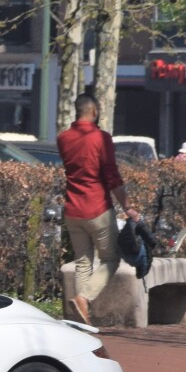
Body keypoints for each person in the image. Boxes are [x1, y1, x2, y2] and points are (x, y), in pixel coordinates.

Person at [56, 93, 141, 327]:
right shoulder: (101, 138)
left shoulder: (63, 138)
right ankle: (84, 298)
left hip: (73, 209)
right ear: (95, 112)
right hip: (98, 208)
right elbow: (112, 176)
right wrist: (128, 207)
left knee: (83, 262)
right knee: (111, 259)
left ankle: (82, 318)